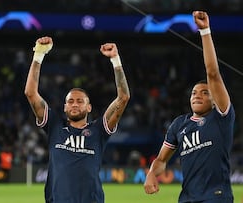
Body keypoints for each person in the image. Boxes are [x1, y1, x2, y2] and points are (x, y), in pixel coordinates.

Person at [24, 36, 130, 203]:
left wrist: (115, 61)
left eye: (80, 101)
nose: (74, 104)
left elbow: (123, 98)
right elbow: (30, 93)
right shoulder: (54, 126)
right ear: (65, 107)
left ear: (89, 107)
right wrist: (38, 55)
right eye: (70, 101)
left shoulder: (99, 130)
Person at [144, 11, 235, 203]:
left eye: (205, 92)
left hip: (216, 197)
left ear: (214, 100)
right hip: (186, 198)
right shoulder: (179, 125)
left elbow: (212, 74)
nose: (197, 95)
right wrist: (152, 173)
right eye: (194, 93)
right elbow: (161, 160)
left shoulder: (221, 117)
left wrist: (205, 32)